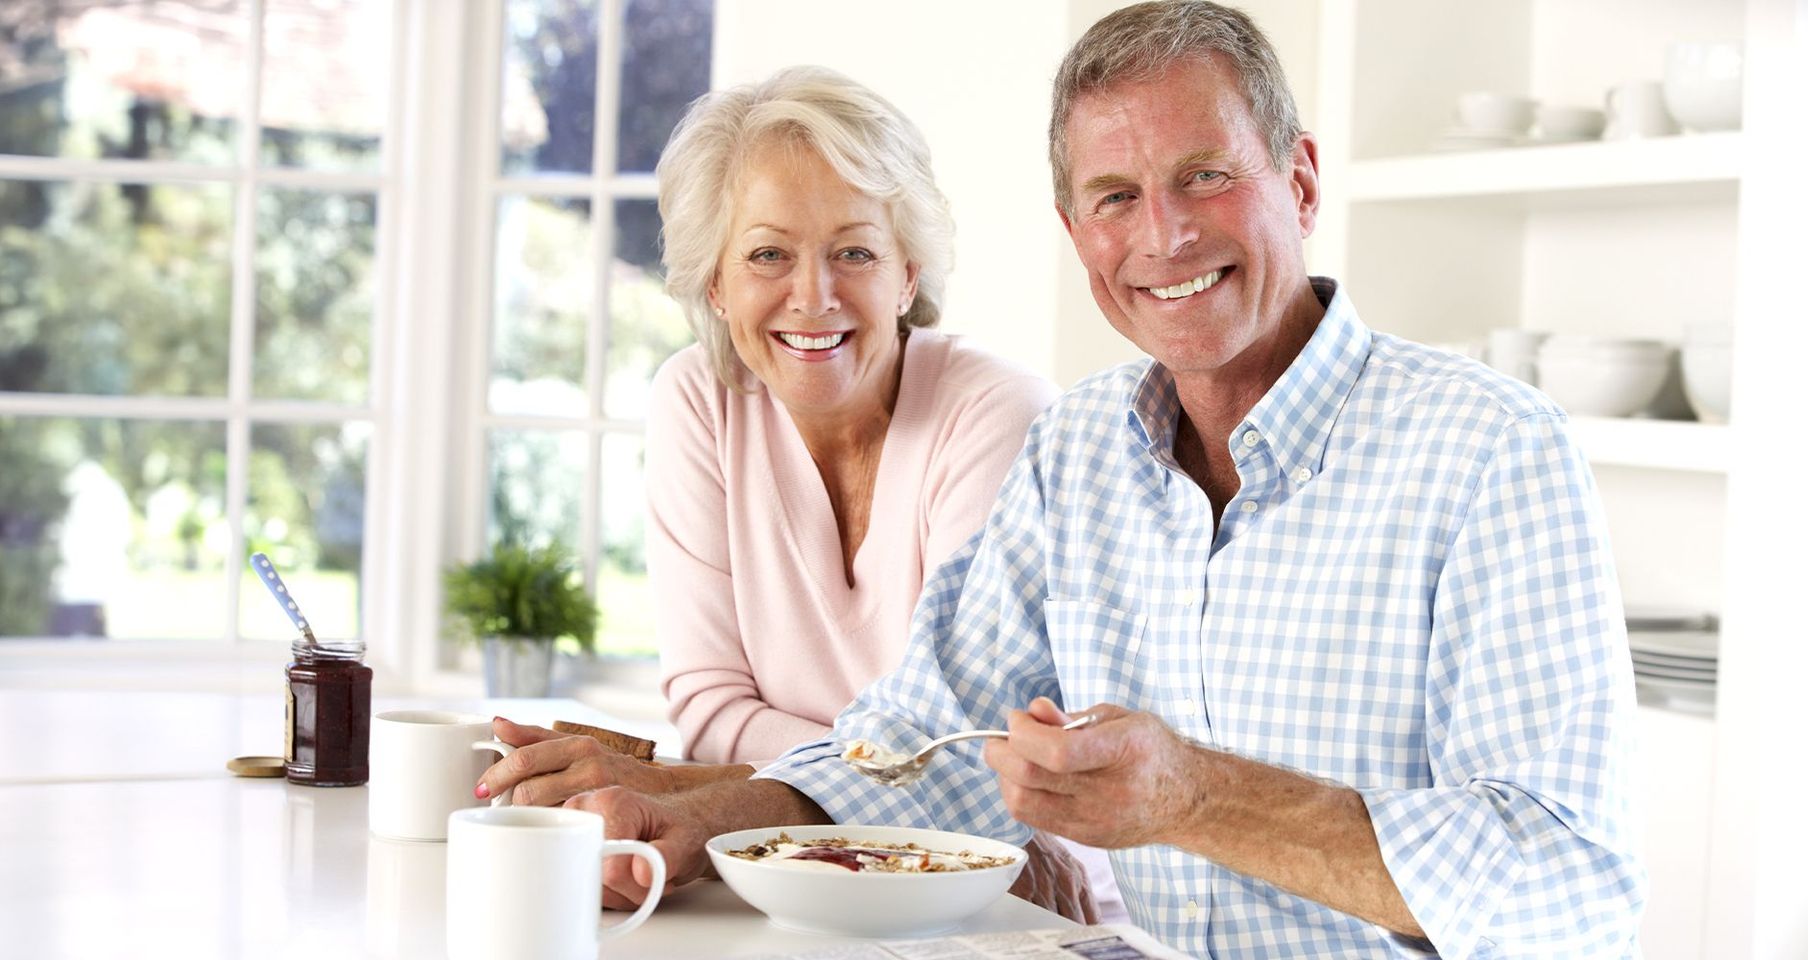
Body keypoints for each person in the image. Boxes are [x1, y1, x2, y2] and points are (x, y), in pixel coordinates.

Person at [567, 3, 1645, 956]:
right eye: (1116, 196)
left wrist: (1199, 796)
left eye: (1206, 176)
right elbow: (925, 742)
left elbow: (1569, 890)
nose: (1163, 236)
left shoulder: (1491, 451)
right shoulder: (1078, 449)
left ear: (1301, 182)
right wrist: (700, 824)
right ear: (1078, 235)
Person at [474, 66, 1123, 922]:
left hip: (1015, 900)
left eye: (854, 252)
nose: (813, 297)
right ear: (716, 283)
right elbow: (711, 708)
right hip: (793, 877)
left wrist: (693, 790)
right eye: (768, 255)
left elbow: (968, 751)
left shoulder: (999, 414)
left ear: (906, 275)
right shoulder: (699, 402)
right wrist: (793, 795)